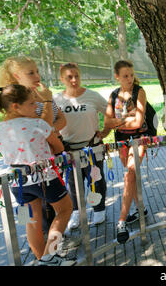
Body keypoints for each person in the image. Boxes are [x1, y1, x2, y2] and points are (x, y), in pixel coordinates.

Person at [0, 84, 75, 266]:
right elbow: (58, 147)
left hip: (18, 182)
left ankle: (42, 259)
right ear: (15, 106)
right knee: (65, 210)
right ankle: (49, 256)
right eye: (31, 103)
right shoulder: (38, 123)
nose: (36, 107)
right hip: (44, 178)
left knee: (31, 221)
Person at [0, 56, 67, 234]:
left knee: (43, 213)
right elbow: (39, 126)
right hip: (37, 168)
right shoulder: (17, 101)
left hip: (45, 161)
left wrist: (48, 131)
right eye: (31, 73)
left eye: (37, 71)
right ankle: (49, 251)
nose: (37, 76)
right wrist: (47, 107)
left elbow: (58, 121)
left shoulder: (40, 96)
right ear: (16, 76)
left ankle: (50, 250)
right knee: (45, 215)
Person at [54, 63, 112, 228]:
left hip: (92, 147)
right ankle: (77, 211)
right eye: (69, 77)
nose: (74, 80)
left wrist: (106, 131)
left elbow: (109, 112)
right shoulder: (56, 99)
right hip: (69, 149)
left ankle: (99, 208)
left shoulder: (92, 96)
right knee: (73, 182)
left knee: (96, 178)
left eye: (76, 76)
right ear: (61, 79)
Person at [104, 60, 148, 244]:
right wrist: (123, 120)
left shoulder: (140, 91)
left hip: (139, 138)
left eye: (131, 74)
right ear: (117, 77)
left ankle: (121, 221)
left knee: (130, 173)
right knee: (132, 175)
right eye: (125, 76)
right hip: (121, 140)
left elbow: (138, 122)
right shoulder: (113, 95)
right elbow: (107, 123)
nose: (129, 79)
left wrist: (118, 121)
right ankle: (141, 209)